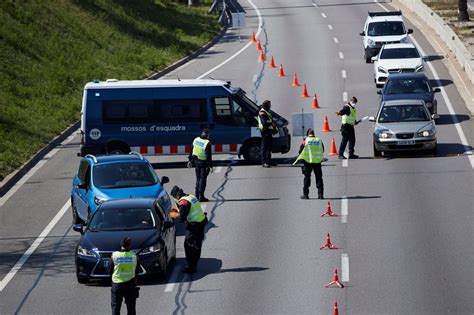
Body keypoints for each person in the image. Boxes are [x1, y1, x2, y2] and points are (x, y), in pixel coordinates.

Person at [170, 185, 208, 273]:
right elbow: (189, 210)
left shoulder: (183, 202)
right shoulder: (190, 197)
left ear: (176, 195)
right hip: (201, 222)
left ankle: (191, 266)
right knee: (197, 245)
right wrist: (179, 211)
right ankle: (194, 264)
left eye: (174, 197)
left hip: (194, 226)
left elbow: (181, 219)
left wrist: (174, 215)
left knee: (188, 244)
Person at [110, 237, 139, 315]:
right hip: (130, 284)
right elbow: (137, 270)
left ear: (121, 245)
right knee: (131, 307)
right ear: (129, 245)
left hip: (117, 284)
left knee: (116, 307)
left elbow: (110, 270)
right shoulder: (134, 256)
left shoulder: (114, 255)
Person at [294, 128, 325, 199]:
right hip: (317, 162)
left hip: (308, 162)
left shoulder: (306, 141)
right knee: (319, 178)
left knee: (307, 178)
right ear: (314, 134)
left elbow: (300, 151)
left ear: (308, 134)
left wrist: (302, 144)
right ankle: (320, 194)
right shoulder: (319, 140)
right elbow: (322, 150)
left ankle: (306, 195)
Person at [188, 129, 213, 202]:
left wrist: (190, 160)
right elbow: (209, 156)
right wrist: (210, 166)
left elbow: (191, 150)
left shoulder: (196, 140)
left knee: (198, 178)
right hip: (203, 163)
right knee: (202, 180)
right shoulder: (207, 143)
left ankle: (196, 195)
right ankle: (201, 196)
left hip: (196, 162)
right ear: (208, 135)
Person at [257, 100, 278, 168]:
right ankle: (264, 162)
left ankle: (269, 161)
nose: (270, 106)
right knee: (264, 148)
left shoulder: (266, 112)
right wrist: (270, 127)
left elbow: (270, 121)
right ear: (266, 105)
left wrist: (274, 129)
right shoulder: (262, 113)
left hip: (268, 132)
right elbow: (265, 123)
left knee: (269, 148)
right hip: (265, 132)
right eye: (269, 105)